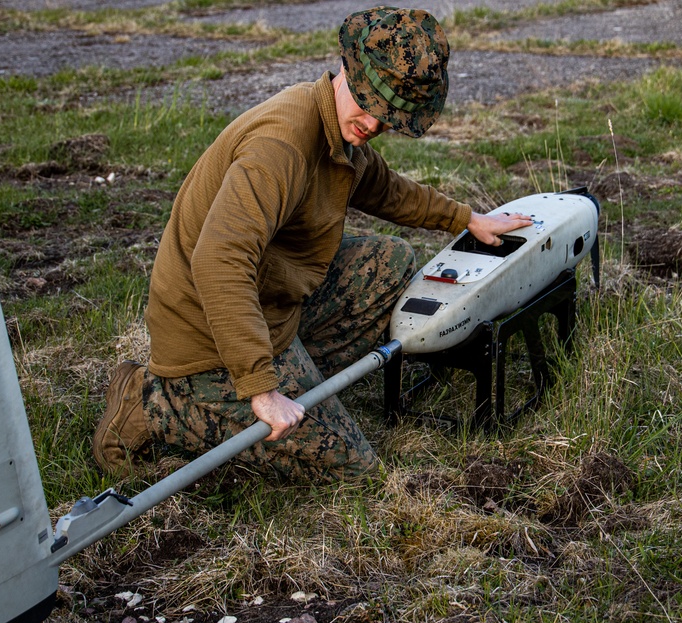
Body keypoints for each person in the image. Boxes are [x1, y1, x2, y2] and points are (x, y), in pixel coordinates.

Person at [92, 6, 532, 482]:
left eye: (390, 117)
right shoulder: (280, 147)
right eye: (370, 102)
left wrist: (466, 218)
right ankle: (153, 405)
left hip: (270, 301)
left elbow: (382, 187)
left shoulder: (336, 126)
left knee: (391, 265)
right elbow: (219, 261)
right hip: (206, 335)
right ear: (348, 69)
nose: (374, 124)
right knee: (354, 468)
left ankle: (291, 366)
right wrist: (261, 388)